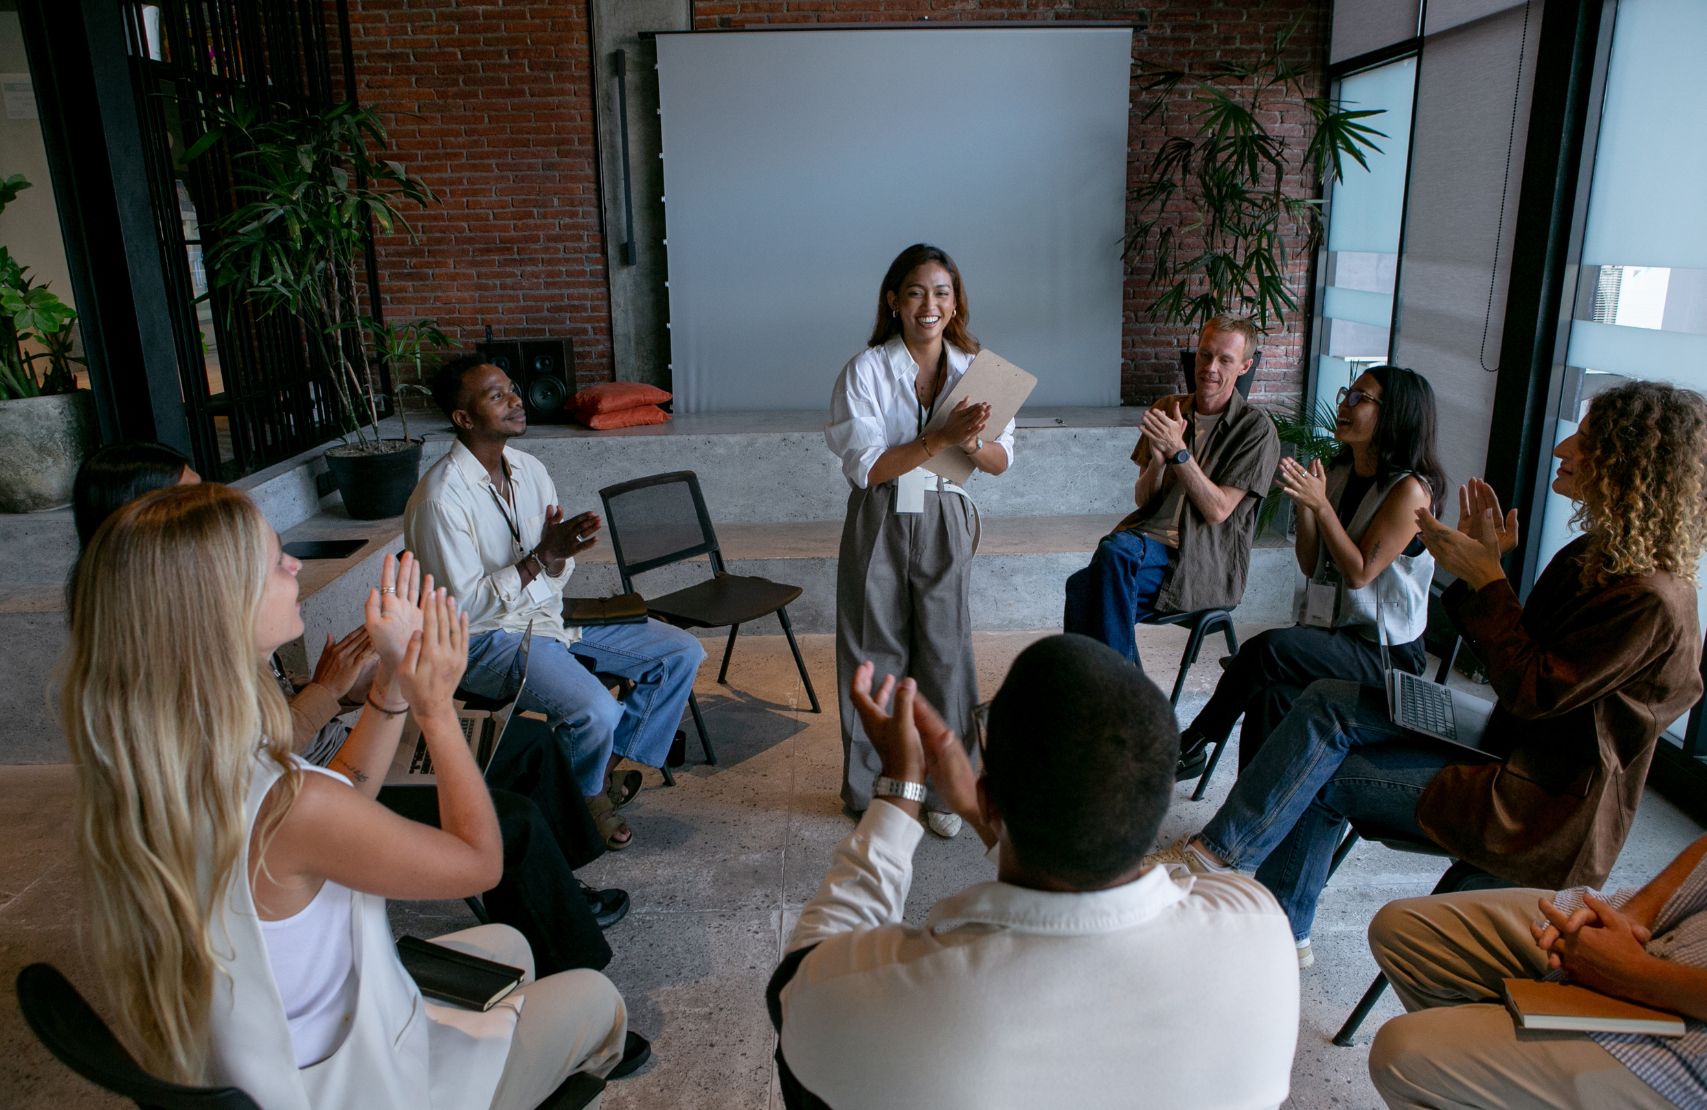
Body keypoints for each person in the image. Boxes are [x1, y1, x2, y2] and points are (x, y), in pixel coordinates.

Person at [61, 483, 630, 1106]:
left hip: (275, 1045)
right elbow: (479, 863)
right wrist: (435, 707)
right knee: (597, 999)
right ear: (221, 607)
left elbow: (341, 796)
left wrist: (392, 682)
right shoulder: (290, 805)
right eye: (274, 561)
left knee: (512, 944)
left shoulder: (168, 763)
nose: (294, 565)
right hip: (353, 1087)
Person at [1146, 380, 1707, 971]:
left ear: (1630, 465)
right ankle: (1232, 870)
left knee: (1316, 764)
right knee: (1323, 700)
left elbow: (1532, 689)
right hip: (1508, 742)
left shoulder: (1652, 601)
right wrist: (1483, 571)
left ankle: (1250, 895)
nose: (1563, 448)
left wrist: (1489, 580)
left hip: (1536, 802)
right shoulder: (1597, 556)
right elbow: (1522, 658)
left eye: (1585, 441)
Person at [767, 634, 1299, 1109]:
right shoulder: (1257, 926)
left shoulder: (889, 1003)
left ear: (991, 800)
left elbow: (796, 983)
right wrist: (983, 806)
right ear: (1161, 797)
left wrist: (901, 787)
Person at [406, 353, 707, 850]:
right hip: (484, 639)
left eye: (512, 388)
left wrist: (558, 555)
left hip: (547, 616)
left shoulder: (529, 469)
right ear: (463, 418)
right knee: (596, 710)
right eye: (496, 395)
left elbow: (556, 573)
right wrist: (541, 558)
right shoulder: (440, 498)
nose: (515, 400)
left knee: (680, 652)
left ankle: (591, 782)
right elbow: (466, 610)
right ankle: (585, 802)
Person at [824, 243, 1015, 834]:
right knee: (872, 647)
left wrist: (971, 442)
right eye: (915, 292)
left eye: (941, 292)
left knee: (946, 651)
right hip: (881, 511)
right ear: (894, 301)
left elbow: (1001, 460)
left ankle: (947, 790)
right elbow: (868, 468)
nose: (929, 305)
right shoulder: (865, 370)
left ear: (955, 303)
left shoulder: (981, 370)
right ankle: (875, 786)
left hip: (943, 511)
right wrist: (940, 438)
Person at [1176, 367, 1445, 782]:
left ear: (1395, 415)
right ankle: (1248, 807)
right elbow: (1310, 563)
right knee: (1270, 696)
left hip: (1385, 655)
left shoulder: (1411, 491)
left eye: (1360, 398)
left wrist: (1320, 507)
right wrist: (1306, 509)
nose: (1344, 404)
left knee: (1268, 650)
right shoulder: (1339, 472)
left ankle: (1192, 744)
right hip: (1336, 635)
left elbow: (1359, 574)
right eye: (1347, 393)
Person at [1367, 830, 1707, 1110]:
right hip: (1677, 925)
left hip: (1692, 1055)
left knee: (1400, 1057)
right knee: (1399, 931)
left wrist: (1632, 974)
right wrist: (1631, 917)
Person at [1064, 313, 1281, 668]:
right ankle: (1125, 695)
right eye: (1205, 354)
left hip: (1198, 562)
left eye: (1225, 360)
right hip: (1146, 550)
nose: (1210, 368)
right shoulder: (1168, 409)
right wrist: (1158, 462)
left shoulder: (1255, 430)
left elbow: (1217, 511)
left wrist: (1180, 453)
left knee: (1110, 557)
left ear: (1245, 366)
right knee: (1084, 588)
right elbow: (1143, 500)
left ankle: (1117, 694)